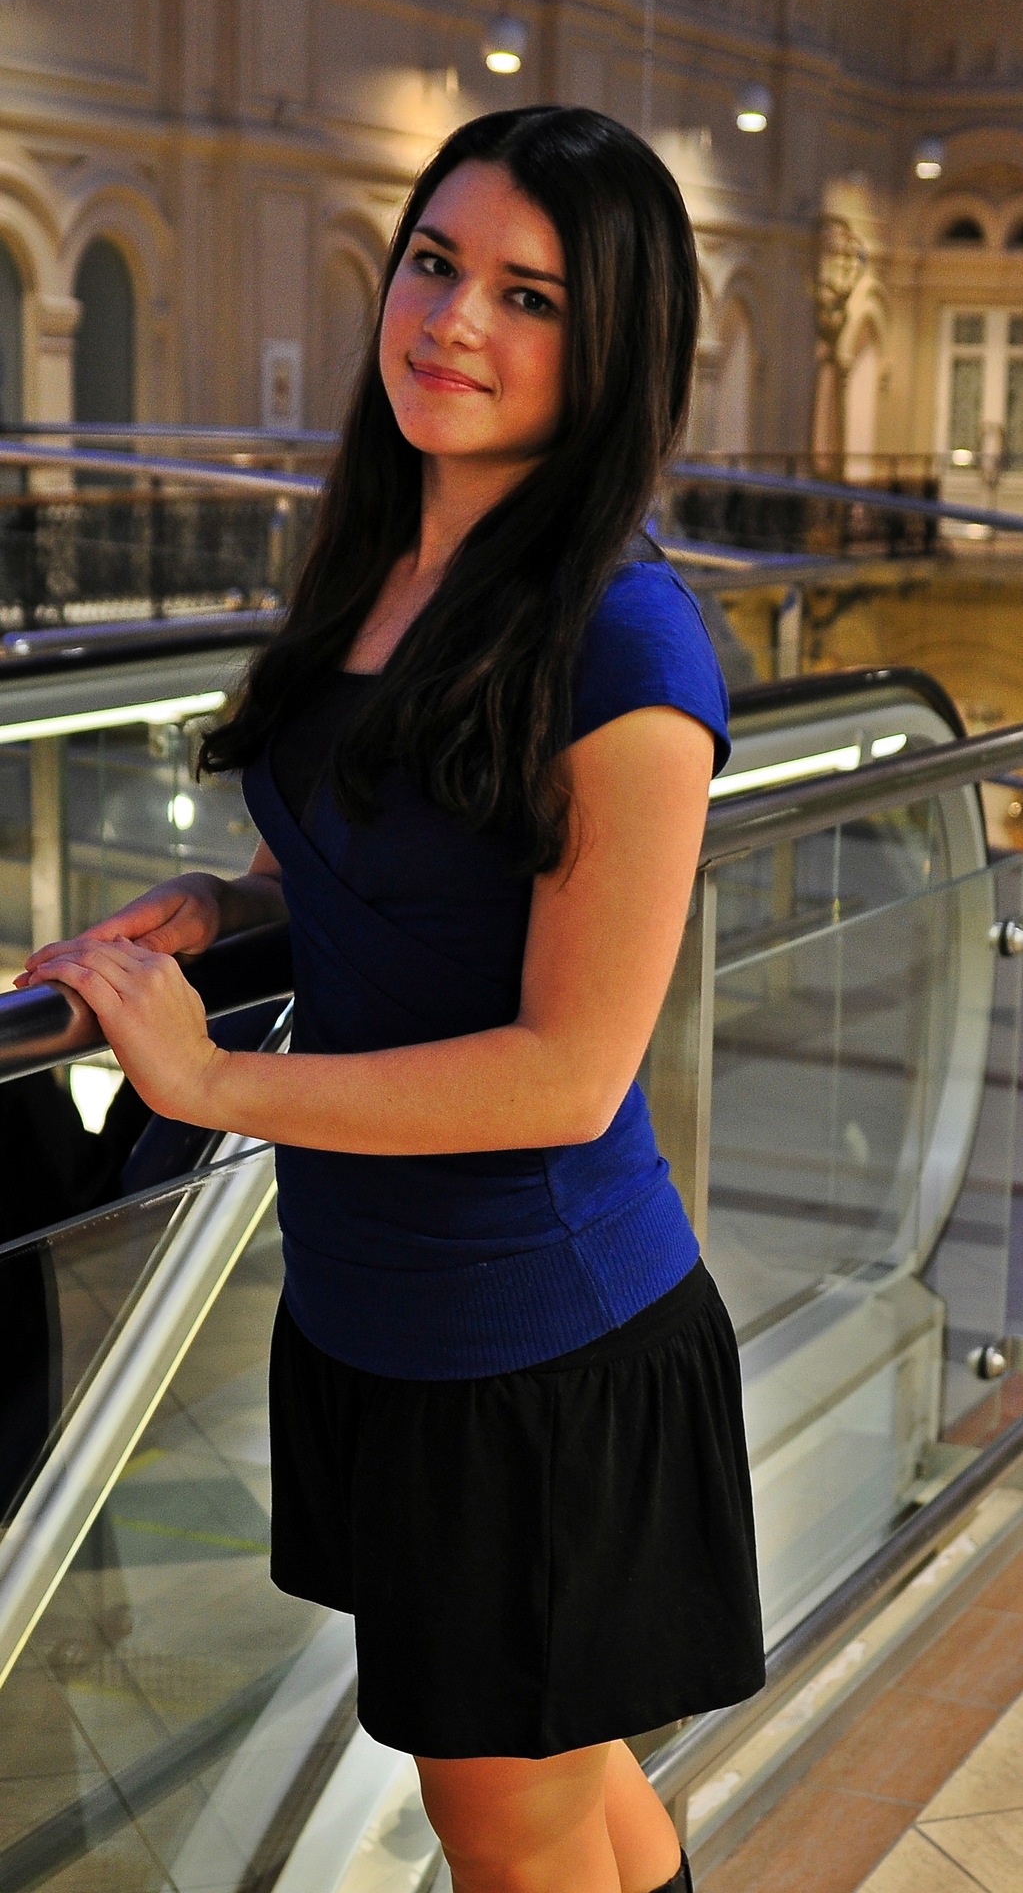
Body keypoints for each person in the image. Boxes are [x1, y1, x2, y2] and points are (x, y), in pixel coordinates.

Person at [18, 106, 764, 1893]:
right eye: (435, 262)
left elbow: (568, 1070)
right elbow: (405, 868)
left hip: (534, 1341)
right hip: (379, 1310)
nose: (452, 319)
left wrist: (211, 1084)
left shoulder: (630, 646)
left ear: (617, 347)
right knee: (558, 1793)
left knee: (503, 1822)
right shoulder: (379, 561)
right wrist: (230, 905)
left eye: (530, 295)